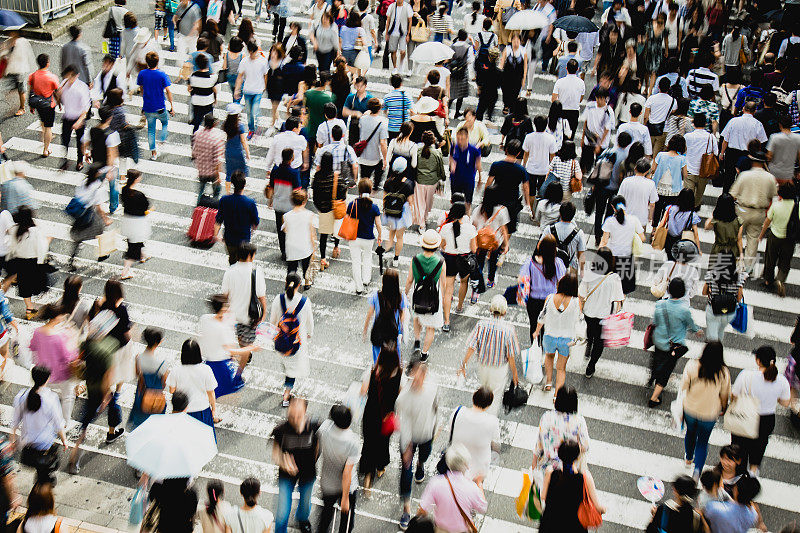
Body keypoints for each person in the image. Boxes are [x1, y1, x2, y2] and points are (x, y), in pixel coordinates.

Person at [67, 311, 122, 474]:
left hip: (91, 386)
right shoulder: (110, 346)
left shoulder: (87, 343)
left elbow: (78, 359)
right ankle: (112, 431)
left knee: (87, 421)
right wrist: (106, 396)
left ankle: (74, 457)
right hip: (102, 391)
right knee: (109, 407)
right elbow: (108, 375)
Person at [731, 346, 791, 476]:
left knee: (740, 449)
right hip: (766, 420)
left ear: (758, 361)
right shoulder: (781, 381)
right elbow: (785, 403)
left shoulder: (746, 375)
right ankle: (753, 474)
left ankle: (739, 479)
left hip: (746, 415)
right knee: (758, 448)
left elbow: (734, 396)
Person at [395, 361, 438, 529]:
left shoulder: (432, 389)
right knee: (406, 473)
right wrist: (406, 446)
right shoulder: (404, 397)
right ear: (411, 374)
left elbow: (435, 409)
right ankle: (406, 507)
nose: (418, 378)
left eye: (421, 375)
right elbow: (403, 422)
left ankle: (421, 464)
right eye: (415, 374)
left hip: (426, 434)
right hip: (410, 439)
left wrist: (435, 427)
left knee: (425, 455)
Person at [459, 295, 519, 414]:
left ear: (491, 310)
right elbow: (511, 356)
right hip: (499, 369)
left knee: (483, 391)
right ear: (505, 311)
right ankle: (489, 420)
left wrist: (463, 365)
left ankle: (479, 412)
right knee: (494, 396)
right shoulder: (509, 330)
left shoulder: (481, 325)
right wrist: (515, 374)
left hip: (483, 366)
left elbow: (471, 346)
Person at [648, 278, 701, 407]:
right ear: (683, 292)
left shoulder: (660, 304)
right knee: (666, 371)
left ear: (669, 290)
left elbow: (654, 321)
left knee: (657, 359)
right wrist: (697, 331)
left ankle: (652, 376)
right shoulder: (684, 310)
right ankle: (654, 398)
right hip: (673, 346)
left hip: (659, 340)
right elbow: (691, 325)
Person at [681, 342, 731, 480]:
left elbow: (684, 385)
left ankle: (688, 458)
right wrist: (723, 407)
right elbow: (725, 394)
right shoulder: (723, 372)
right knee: (703, 442)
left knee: (690, 433)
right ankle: (697, 472)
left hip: (691, 408)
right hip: (709, 412)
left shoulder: (692, 365)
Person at [11, 365, 67, 485]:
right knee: (45, 475)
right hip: (45, 445)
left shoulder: (22, 396)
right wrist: (64, 441)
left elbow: (15, 421)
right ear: (47, 379)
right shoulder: (51, 398)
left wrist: (13, 440)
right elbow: (58, 424)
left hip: (28, 445)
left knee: (40, 471)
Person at [271, 397, 317, 533]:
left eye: (298, 416)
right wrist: (284, 463)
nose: (294, 419)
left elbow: (317, 449)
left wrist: (310, 462)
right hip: (286, 475)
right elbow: (275, 453)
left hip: (308, 473)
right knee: (282, 511)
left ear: (305, 413)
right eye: (291, 415)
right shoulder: (281, 430)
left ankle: (302, 520)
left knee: (305, 504)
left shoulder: (314, 427)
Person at [199, 294, 259, 398]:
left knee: (211, 390)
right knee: (223, 390)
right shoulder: (222, 328)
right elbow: (230, 351)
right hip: (220, 364)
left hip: (209, 362)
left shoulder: (204, 319)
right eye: (226, 306)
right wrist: (249, 349)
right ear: (222, 308)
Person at [417, 444, 487, 532]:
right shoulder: (471, 488)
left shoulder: (436, 483)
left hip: (441, 529)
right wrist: (479, 483)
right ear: (466, 464)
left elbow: (423, 509)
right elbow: (482, 507)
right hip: (461, 530)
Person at [539, 440, 605, 533]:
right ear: (577, 458)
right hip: (574, 527)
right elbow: (598, 507)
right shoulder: (585, 477)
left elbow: (543, 496)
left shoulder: (550, 472)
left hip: (550, 524)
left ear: (559, 455)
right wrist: (603, 509)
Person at [729, 149, 777, 273]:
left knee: (735, 237)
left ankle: (734, 262)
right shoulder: (770, 178)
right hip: (759, 212)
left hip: (742, 210)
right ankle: (748, 267)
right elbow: (774, 196)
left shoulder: (744, 175)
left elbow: (732, 194)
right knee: (753, 239)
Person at [579, 247, 624, 378]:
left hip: (589, 312)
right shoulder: (614, 278)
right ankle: (591, 366)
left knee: (590, 330)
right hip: (603, 316)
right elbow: (619, 299)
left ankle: (588, 343)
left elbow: (581, 294)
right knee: (600, 341)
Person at [269, 273, 313, 406]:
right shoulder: (304, 302)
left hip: (280, 340)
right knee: (292, 370)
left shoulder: (279, 299)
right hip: (295, 342)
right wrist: (309, 333)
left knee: (285, 362)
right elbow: (309, 322)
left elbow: (273, 320)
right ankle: (286, 395)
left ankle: (286, 379)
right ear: (299, 285)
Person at [29, 304, 78, 424]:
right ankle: (65, 422)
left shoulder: (38, 331)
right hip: (61, 375)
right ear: (55, 317)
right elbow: (68, 357)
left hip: (43, 375)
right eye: (61, 315)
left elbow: (33, 347)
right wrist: (72, 338)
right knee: (68, 397)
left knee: (44, 397)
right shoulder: (59, 336)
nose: (62, 317)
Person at [533, 274, 580, 394]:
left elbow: (542, 316)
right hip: (566, 339)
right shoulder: (575, 302)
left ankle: (548, 382)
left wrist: (537, 331)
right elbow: (579, 321)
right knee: (561, 368)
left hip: (549, 336)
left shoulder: (550, 298)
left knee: (549, 357)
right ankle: (557, 395)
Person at [316, 405, 360, 533]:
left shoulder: (324, 429)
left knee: (326, 515)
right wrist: (345, 498)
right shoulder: (352, 441)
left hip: (328, 482)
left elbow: (316, 450)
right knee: (346, 523)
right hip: (347, 487)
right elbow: (347, 472)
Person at [405, 230, 446, 362]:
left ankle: (417, 340)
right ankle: (424, 353)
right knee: (430, 328)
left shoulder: (415, 259)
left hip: (417, 293)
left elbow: (410, 279)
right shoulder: (440, 262)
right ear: (436, 246)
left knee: (417, 317)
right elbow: (443, 284)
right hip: (433, 296)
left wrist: (405, 293)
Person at [438, 202, 477, 332]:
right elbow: (474, 248)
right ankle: (459, 306)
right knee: (463, 282)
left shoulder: (445, 228)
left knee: (448, 289)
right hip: (464, 259)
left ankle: (446, 321)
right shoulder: (470, 229)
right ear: (464, 214)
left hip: (450, 258)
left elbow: (442, 246)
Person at [167, 339, 218, 435]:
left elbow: (172, 390)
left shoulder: (176, 370)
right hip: (202, 409)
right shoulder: (206, 369)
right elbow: (211, 393)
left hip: (183, 410)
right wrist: (213, 409)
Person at [222, 243, 268, 348]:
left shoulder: (230, 271)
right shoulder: (256, 272)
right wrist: (263, 314)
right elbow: (261, 296)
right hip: (250, 315)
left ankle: (244, 352)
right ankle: (245, 355)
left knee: (240, 337)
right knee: (248, 342)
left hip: (234, 315)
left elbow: (225, 295)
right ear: (249, 256)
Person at [7, 207, 50, 319]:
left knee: (24, 286)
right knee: (39, 284)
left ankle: (29, 309)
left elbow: (12, 247)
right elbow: (41, 248)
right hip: (33, 262)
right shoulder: (34, 231)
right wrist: (41, 262)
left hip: (20, 262)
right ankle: (35, 307)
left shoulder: (14, 229)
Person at [67, 164, 111, 272]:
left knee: (79, 237)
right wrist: (106, 219)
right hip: (89, 214)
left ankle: (72, 259)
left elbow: (78, 195)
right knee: (100, 230)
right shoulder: (98, 187)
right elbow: (99, 207)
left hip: (80, 213)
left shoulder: (82, 183)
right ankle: (103, 253)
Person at [449, 387, 499, 481]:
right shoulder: (492, 422)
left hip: (456, 463)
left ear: (473, 398)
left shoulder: (458, 412)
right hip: (478, 471)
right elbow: (495, 441)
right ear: (488, 405)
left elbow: (451, 428)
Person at [759, 182, 799, 297]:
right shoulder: (797, 206)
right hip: (789, 238)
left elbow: (767, 222)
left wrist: (761, 235)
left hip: (775, 236)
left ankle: (768, 280)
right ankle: (780, 279)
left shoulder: (776, 205)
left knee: (770, 258)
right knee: (785, 261)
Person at [599, 196, 644, 295]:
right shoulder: (634, 220)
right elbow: (643, 237)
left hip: (613, 257)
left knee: (610, 287)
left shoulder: (610, 221)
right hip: (627, 258)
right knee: (624, 289)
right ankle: (620, 308)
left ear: (613, 207)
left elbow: (604, 241)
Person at [126, 327, 168, 431]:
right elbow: (164, 383)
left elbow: (137, 374)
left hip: (142, 393)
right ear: (158, 342)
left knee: (140, 419)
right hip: (156, 397)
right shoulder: (161, 363)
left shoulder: (139, 358)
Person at [720, 102, 768, 191]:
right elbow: (761, 142)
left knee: (728, 177)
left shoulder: (733, 121)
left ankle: (725, 198)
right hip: (748, 154)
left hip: (732, 152)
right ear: (755, 111)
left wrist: (722, 153)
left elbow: (725, 139)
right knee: (745, 178)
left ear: (743, 109)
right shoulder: (758, 124)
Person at [470, 185, 510, 292]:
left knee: (480, 262)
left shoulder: (478, 209)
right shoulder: (501, 210)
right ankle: (491, 280)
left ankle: (478, 284)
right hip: (495, 241)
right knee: (493, 261)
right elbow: (503, 229)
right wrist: (506, 244)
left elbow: (473, 225)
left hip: (481, 242)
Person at [345, 179, 382, 294]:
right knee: (367, 257)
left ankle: (359, 287)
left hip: (354, 238)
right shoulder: (374, 207)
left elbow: (347, 221)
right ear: (370, 190)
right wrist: (380, 235)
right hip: (368, 238)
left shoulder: (352, 204)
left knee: (356, 262)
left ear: (359, 190)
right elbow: (378, 224)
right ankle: (366, 279)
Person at [215, 171, 259, 266]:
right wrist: (252, 230)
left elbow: (218, 219)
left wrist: (216, 235)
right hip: (244, 239)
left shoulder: (224, 200)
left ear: (232, 184)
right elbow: (256, 222)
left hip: (229, 238)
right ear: (244, 184)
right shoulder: (250, 203)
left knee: (232, 260)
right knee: (243, 262)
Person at [137, 51, 174, 160]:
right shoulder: (162, 74)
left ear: (147, 62)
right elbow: (168, 91)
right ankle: (162, 139)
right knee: (165, 123)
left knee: (151, 130)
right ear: (157, 62)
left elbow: (141, 89)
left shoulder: (142, 74)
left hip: (148, 107)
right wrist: (172, 105)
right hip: (160, 106)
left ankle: (153, 153)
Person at [311, 153, 346, 269]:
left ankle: (323, 259)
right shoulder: (336, 176)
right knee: (337, 230)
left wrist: (320, 208)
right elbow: (343, 194)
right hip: (335, 208)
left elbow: (315, 196)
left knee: (324, 235)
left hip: (323, 209)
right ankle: (336, 248)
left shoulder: (317, 176)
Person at [57, 65, 91, 172]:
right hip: (67, 117)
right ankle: (65, 160)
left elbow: (86, 108)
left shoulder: (82, 88)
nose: (69, 78)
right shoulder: (63, 84)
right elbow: (59, 97)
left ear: (77, 76)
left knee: (80, 141)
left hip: (78, 118)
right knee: (65, 140)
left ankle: (79, 161)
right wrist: (58, 98)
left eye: (72, 76)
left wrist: (79, 121)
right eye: (68, 75)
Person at [118, 170, 149, 281]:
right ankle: (125, 272)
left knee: (134, 241)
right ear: (136, 179)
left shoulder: (124, 190)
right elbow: (145, 207)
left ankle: (142, 255)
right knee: (132, 248)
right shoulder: (139, 195)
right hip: (137, 223)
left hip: (127, 221)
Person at [234, 41, 269, 140]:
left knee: (254, 110)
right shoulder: (244, 61)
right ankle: (251, 129)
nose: (251, 55)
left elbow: (265, 75)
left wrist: (264, 87)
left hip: (258, 90)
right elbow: (240, 76)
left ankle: (256, 126)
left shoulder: (263, 61)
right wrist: (237, 89)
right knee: (249, 112)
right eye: (250, 52)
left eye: (253, 52)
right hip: (247, 90)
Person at [265, 116, 309, 190]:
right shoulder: (301, 139)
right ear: (294, 129)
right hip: (294, 169)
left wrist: (268, 168)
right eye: (299, 127)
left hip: (279, 168)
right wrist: (305, 163)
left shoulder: (277, 138)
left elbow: (271, 154)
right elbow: (305, 150)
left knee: (276, 190)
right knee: (294, 190)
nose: (300, 129)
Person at [28, 54, 59, 158]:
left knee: (42, 121)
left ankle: (44, 137)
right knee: (48, 127)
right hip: (48, 105)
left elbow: (31, 90)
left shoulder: (33, 76)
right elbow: (56, 91)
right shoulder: (52, 77)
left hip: (37, 103)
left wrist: (31, 105)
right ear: (47, 63)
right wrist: (59, 103)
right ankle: (46, 149)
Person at [413, 132, 446, 230]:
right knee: (428, 202)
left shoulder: (418, 151)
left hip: (419, 180)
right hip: (432, 181)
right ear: (433, 140)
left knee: (420, 202)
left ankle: (421, 223)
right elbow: (440, 168)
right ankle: (425, 217)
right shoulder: (437, 153)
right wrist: (443, 178)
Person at [0, 29, 35, 117]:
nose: (10, 33)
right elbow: (3, 55)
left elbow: (29, 56)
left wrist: (33, 70)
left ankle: (22, 108)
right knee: (13, 88)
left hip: (21, 70)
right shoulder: (7, 42)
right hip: (11, 70)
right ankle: (16, 103)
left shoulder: (23, 43)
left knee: (21, 90)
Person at [619, 158, 658, 233]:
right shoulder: (651, 184)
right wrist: (650, 217)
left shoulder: (626, 181)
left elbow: (619, 198)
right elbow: (652, 204)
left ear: (635, 168)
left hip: (626, 217)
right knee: (638, 242)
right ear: (647, 171)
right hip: (641, 218)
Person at [193, 114, 226, 202]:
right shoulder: (216, 138)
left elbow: (194, 152)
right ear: (214, 124)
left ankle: (198, 206)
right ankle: (213, 210)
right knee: (217, 191)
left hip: (201, 170)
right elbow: (217, 160)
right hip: (212, 172)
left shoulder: (197, 134)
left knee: (201, 189)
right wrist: (218, 175)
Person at [357, 98, 390, 188]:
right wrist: (385, 159)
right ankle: (374, 190)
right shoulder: (383, 122)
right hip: (376, 156)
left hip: (363, 155)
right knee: (378, 179)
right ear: (379, 109)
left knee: (364, 179)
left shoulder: (362, 119)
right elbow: (383, 143)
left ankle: (363, 194)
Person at [580, 87, 614, 173]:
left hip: (602, 142)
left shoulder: (608, 111)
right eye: (597, 98)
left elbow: (607, 130)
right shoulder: (590, 106)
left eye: (601, 98)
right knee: (584, 163)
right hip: (589, 139)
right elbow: (586, 122)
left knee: (599, 165)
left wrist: (599, 144)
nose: (599, 100)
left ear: (606, 98)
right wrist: (582, 137)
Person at [523, 116, 557, 198]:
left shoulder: (529, 137)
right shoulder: (551, 138)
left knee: (531, 192)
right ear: (546, 125)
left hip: (531, 169)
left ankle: (531, 210)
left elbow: (526, 154)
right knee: (542, 192)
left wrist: (524, 165)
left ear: (534, 124)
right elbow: (553, 156)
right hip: (544, 170)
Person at [449, 128, 482, 210]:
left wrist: (480, 179)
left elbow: (478, 165)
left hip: (468, 179)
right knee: (455, 200)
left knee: (468, 202)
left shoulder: (474, 150)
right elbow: (451, 157)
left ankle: (467, 218)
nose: (460, 141)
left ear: (467, 138)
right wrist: (452, 165)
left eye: (462, 139)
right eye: (458, 139)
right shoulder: (454, 147)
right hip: (456, 178)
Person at [553, 59, 585, 137]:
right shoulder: (581, 83)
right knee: (571, 136)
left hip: (561, 111)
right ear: (577, 69)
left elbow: (554, 99)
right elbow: (580, 99)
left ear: (566, 68)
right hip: (574, 112)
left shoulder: (559, 82)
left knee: (560, 136)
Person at [705, 193, 743, 258]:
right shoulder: (738, 221)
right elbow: (739, 238)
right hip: (732, 250)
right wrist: (741, 253)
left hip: (718, 249)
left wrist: (714, 214)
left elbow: (706, 227)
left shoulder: (716, 220)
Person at [188, 54, 217, 133]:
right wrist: (215, 99)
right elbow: (214, 90)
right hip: (208, 101)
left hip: (196, 102)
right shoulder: (212, 78)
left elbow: (189, 89)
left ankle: (194, 138)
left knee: (197, 122)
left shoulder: (193, 77)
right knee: (209, 123)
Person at [385, 0, 414, 74]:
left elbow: (410, 21)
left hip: (403, 32)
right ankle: (395, 67)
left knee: (403, 51)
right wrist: (386, 33)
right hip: (393, 32)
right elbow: (388, 20)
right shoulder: (392, 6)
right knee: (393, 50)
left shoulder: (407, 7)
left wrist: (408, 34)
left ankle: (401, 64)